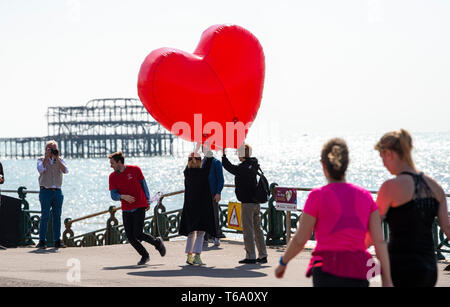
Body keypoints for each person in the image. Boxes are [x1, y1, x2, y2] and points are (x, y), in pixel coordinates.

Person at [275, 138, 392, 287]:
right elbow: (379, 241)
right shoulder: (365, 196)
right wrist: (387, 280)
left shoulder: (317, 196)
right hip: (357, 270)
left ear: (323, 165)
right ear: (347, 164)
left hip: (326, 271)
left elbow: (300, 240)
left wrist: (283, 262)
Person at [374, 129, 450, 287]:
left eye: (382, 157)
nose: (383, 163)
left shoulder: (390, 187)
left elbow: (374, 232)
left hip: (400, 267)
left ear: (389, 153)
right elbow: (448, 228)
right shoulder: (436, 188)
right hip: (428, 268)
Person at [108, 151, 166, 265]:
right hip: (126, 208)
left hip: (139, 205)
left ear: (119, 162)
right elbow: (113, 195)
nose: (111, 165)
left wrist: (147, 201)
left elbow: (144, 185)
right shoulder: (112, 177)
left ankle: (157, 243)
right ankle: (145, 255)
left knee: (138, 233)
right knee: (130, 236)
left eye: (112, 163)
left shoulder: (135, 170)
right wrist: (122, 196)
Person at [222, 143, 268, 264]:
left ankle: (250, 256)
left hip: (247, 203)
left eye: (238, 153)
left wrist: (223, 156)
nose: (237, 155)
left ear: (242, 154)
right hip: (256, 202)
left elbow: (230, 168)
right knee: (258, 229)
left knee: (248, 230)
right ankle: (263, 255)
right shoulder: (253, 165)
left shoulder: (243, 168)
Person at [179, 152, 218, 265]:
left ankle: (189, 256)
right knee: (201, 233)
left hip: (190, 208)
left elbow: (189, 165)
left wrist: (195, 150)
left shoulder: (187, 173)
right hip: (202, 207)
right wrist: (208, 150)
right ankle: (197, 256)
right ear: (200, 161)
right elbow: (209, 162)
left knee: (191, 233)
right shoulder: (203, 173)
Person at [36, 141, 69, 249]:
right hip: (45, 190)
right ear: (46, 149)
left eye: (54, 148)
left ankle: (57, 240)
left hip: (57, 191)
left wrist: (57, 158)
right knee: (45, 216)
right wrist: (46, 157)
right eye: (50, 148)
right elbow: (40, 170)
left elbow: (65, 171)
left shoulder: (60, 160)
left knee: (57, 217)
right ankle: (42, 241)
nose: (52, 150)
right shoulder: (40, 160)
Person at [201, 143, 225, 247]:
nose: (206, 150)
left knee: (214, 216)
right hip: (203, 194)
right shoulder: (201, 162)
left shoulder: (216, 162)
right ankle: (205, 238)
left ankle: (216, 237)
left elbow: (221, 179)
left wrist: (218, 192)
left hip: (213, 194)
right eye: (204, 149)